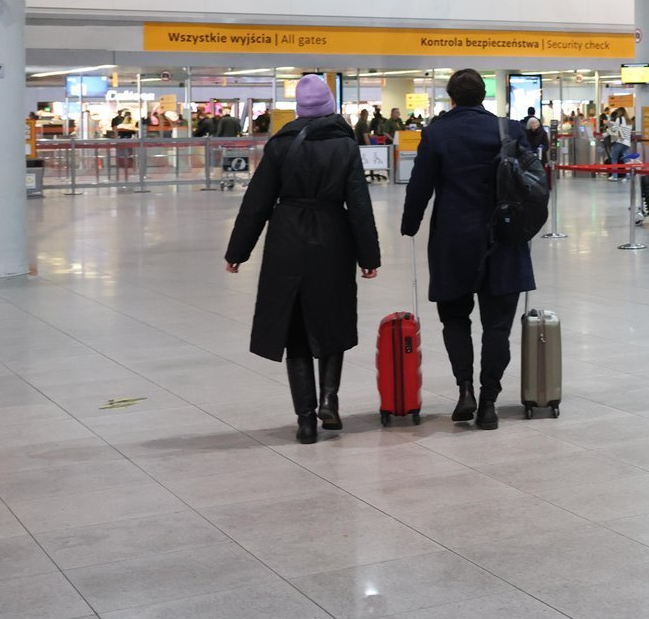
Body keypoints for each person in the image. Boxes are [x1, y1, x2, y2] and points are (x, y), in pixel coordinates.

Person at [224, 74, 380, 444]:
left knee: (294, 327)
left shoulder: (280, 144)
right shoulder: (345, 145)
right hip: (332, 237)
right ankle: (329, 399)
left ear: (299, 109)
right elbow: (358, 203)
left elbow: (257, 201)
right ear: (329, 107)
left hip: (287, 239)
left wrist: (237, 251)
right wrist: (368, 256)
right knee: (332, 318)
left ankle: (306, 421)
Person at [402, 69, 537, 429]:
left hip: (453, 239)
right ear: (483, 96)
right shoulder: (508, 130)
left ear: (452, 98)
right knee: (497, 326)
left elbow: (419, 186)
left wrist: (409, 224)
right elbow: (532, 182)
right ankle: (489, 402)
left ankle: (465, 390)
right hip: (503, 238)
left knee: (455, 318)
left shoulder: (437, 133)